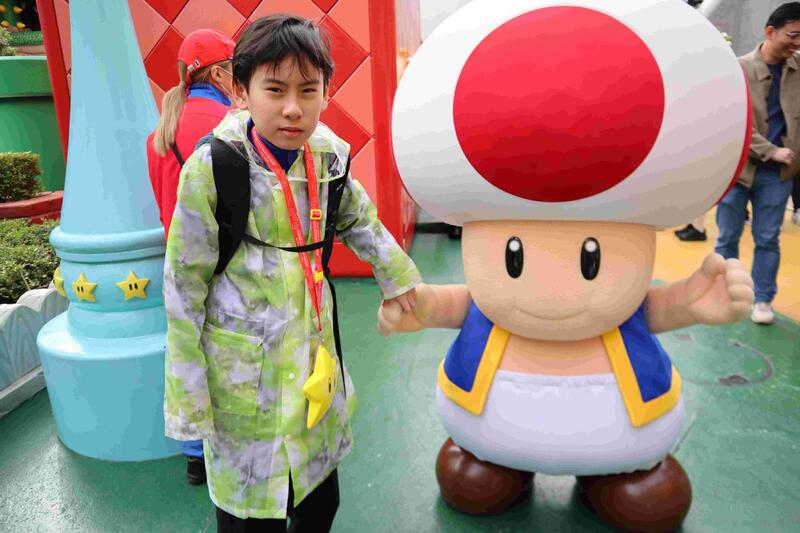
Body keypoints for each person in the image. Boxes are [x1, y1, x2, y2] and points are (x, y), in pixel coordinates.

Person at [162, 15, 421, 532]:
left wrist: (399, 278)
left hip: (310, 361)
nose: (293, 108)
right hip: (243, 375)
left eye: (308, 89)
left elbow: (360, 220)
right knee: (250, 517)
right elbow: (183, 287)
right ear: (242, 90)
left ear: (326, 90)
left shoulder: (327, 159)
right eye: (275, 89)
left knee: (319, 503)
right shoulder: (214, 168)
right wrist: (188, 396)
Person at [146, 29, 236, 486]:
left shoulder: (160, 133)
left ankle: (193, 455)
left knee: (186, 348)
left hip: (178, 260)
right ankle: (230, 446)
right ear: (218, 74)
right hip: (228, 259)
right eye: (235, 68)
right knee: (232, 349)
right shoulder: (234, 125)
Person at [715, 2, 800, 325]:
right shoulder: (738, 69)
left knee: (767, 238)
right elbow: (732, 121)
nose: (797, 43)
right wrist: (771, 150)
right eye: (793, 35)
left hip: (778, 175)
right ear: (770, 31)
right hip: (738, 170)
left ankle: (763, 299)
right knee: (727, 236)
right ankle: (723, 292)